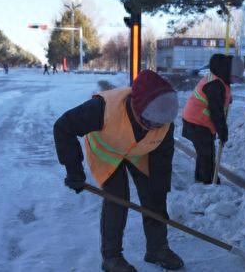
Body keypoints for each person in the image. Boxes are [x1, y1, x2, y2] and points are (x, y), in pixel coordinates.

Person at [53, 70, 183, 272]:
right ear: (136, 108)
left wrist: (159, 189)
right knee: (117, 198)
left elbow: (162, 161)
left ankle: (157, 249)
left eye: (159, 124)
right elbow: (63, 127)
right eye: (150, 122)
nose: (155, 127)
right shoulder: (102, 108)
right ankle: (111, 257)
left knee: (154, 196)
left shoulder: (163, 119)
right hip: (106, 150)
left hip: (138, 151)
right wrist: (74, 171)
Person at [182, 54, 232, 184]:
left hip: (197, 122)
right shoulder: (214, 85)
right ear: (225, 70)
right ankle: (208, 181)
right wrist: (222, 131)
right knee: (207, 154)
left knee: (205, 152)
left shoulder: (218, 80)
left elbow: (220, 101)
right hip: (196, 122)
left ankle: (203, 179)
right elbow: (216, 112)